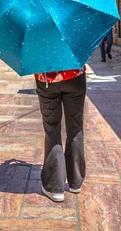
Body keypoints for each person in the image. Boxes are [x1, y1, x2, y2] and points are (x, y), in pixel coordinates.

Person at [35, 67, 87, 203]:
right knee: (75, 128)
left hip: (47, 78)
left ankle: (54, 186)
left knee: (52, 130)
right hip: (75, 76)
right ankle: (75, 182)